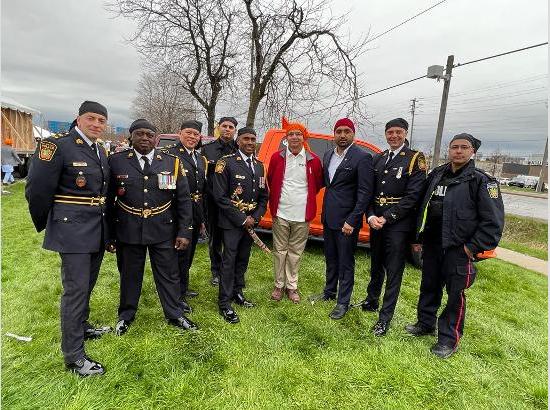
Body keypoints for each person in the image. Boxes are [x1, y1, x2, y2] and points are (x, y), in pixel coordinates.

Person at [25, 101, 111, 376]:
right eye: (91, 118)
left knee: (87, 285)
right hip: (71, 229)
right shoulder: (57, 145)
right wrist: (50, 225)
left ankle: (82, 327)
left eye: (101, 120)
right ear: (78, 119)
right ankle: (74, 356)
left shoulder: (99, 148)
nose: (97, 124)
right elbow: (36, 189)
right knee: (75, 291)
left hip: (96, 227)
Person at [405, 133, 504, 358]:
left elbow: (493, 222)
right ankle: (425, 323)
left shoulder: (482, 181)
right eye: (454, 147)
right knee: (429, 286)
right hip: (432, 244)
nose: (458, 151)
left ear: (473, 152)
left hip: (458, 248)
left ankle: (448, 339)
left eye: (464, 147)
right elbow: (423, 207)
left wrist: (472, 247)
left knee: (455, 295)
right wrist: (418, 238)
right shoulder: (437, 175)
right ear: (449, 150)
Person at [107, 118, 198, 337]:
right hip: (128, 229)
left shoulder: (171, 162)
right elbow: (109, 201)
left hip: (163, 229)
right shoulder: (116, 161)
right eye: (140, 134)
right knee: (130, 274)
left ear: (156, 138)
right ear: (131, 137)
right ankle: (126, 316)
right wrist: (109, 234)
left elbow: (183, 200)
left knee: (168, 274)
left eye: (149, 135)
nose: (145, 138)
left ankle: (175, 314)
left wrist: (184, 231)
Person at [360, 118, 427, 336]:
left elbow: (413, 196)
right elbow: (368, 192)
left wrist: (387, 218)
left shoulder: (415, 158)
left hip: (398, 224)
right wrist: (370, 216)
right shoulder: (378, 158)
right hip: (376, 221)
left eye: (398, 132)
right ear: (386, 134)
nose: (394, 136)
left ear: (405, 133)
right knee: (375, 263)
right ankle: (371, 300)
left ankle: (384, 319)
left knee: (394, 271)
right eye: (390, 132)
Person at [311, 118, 374, 320]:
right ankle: (329, 292)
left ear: (353, 134)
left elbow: (365, 193)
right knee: (331, 257)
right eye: (339, 131)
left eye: (347, 131)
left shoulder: (362, 157)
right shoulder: (328, 154)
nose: (343, 135)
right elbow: (326, 183)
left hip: (347, 220)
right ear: (334, 134)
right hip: (328, 216)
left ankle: (342, 302)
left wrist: (353, 220)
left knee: (346, 262)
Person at [212, 126, 268, 324]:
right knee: (229, 261)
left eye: (253, 139)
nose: (250, 142)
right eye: (246, 139)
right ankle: (224, 303)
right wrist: (242, 219)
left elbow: (263, 197)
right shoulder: (225, 163)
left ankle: (237, 293)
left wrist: (256, 217)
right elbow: (219, 196)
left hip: (250, 222)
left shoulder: (260, 165)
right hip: (231, 222)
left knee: (243, 259)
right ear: (238, 141)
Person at [267, 117, 323, 303]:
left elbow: (318, 184)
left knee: (295, 252)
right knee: (279, 250)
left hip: (302, 215)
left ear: (304, 137)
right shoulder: (277, 157)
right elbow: (270, 178)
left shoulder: (313, 160)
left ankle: (292, 286)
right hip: (281, 212)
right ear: (286, 137)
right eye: (290, 134)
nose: (294, 137)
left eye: (298, 134)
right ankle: (278, 284)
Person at [162, 120, 207, 304]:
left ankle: (183, 287)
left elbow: (201, 191)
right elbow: (165, 189)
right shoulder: (168, 155)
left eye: (195, 134)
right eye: (188, 132)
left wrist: (202, 218)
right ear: (180, 133)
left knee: (188, 253)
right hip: (176, 214)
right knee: (177, 256)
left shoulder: (200, 159)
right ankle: (175, 296)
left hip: (195, 214)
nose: (192, 137)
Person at [202, 117, 239, 285]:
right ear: (218, 128)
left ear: (235, 131)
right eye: (224, 126)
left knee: (231, 238)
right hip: (213, 202)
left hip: (234, 202)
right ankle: (216, 271)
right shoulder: (206, 150)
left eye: (231, 127)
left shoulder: (239, 150)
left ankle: (230, 269)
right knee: (215, 238)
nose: (227, 129)